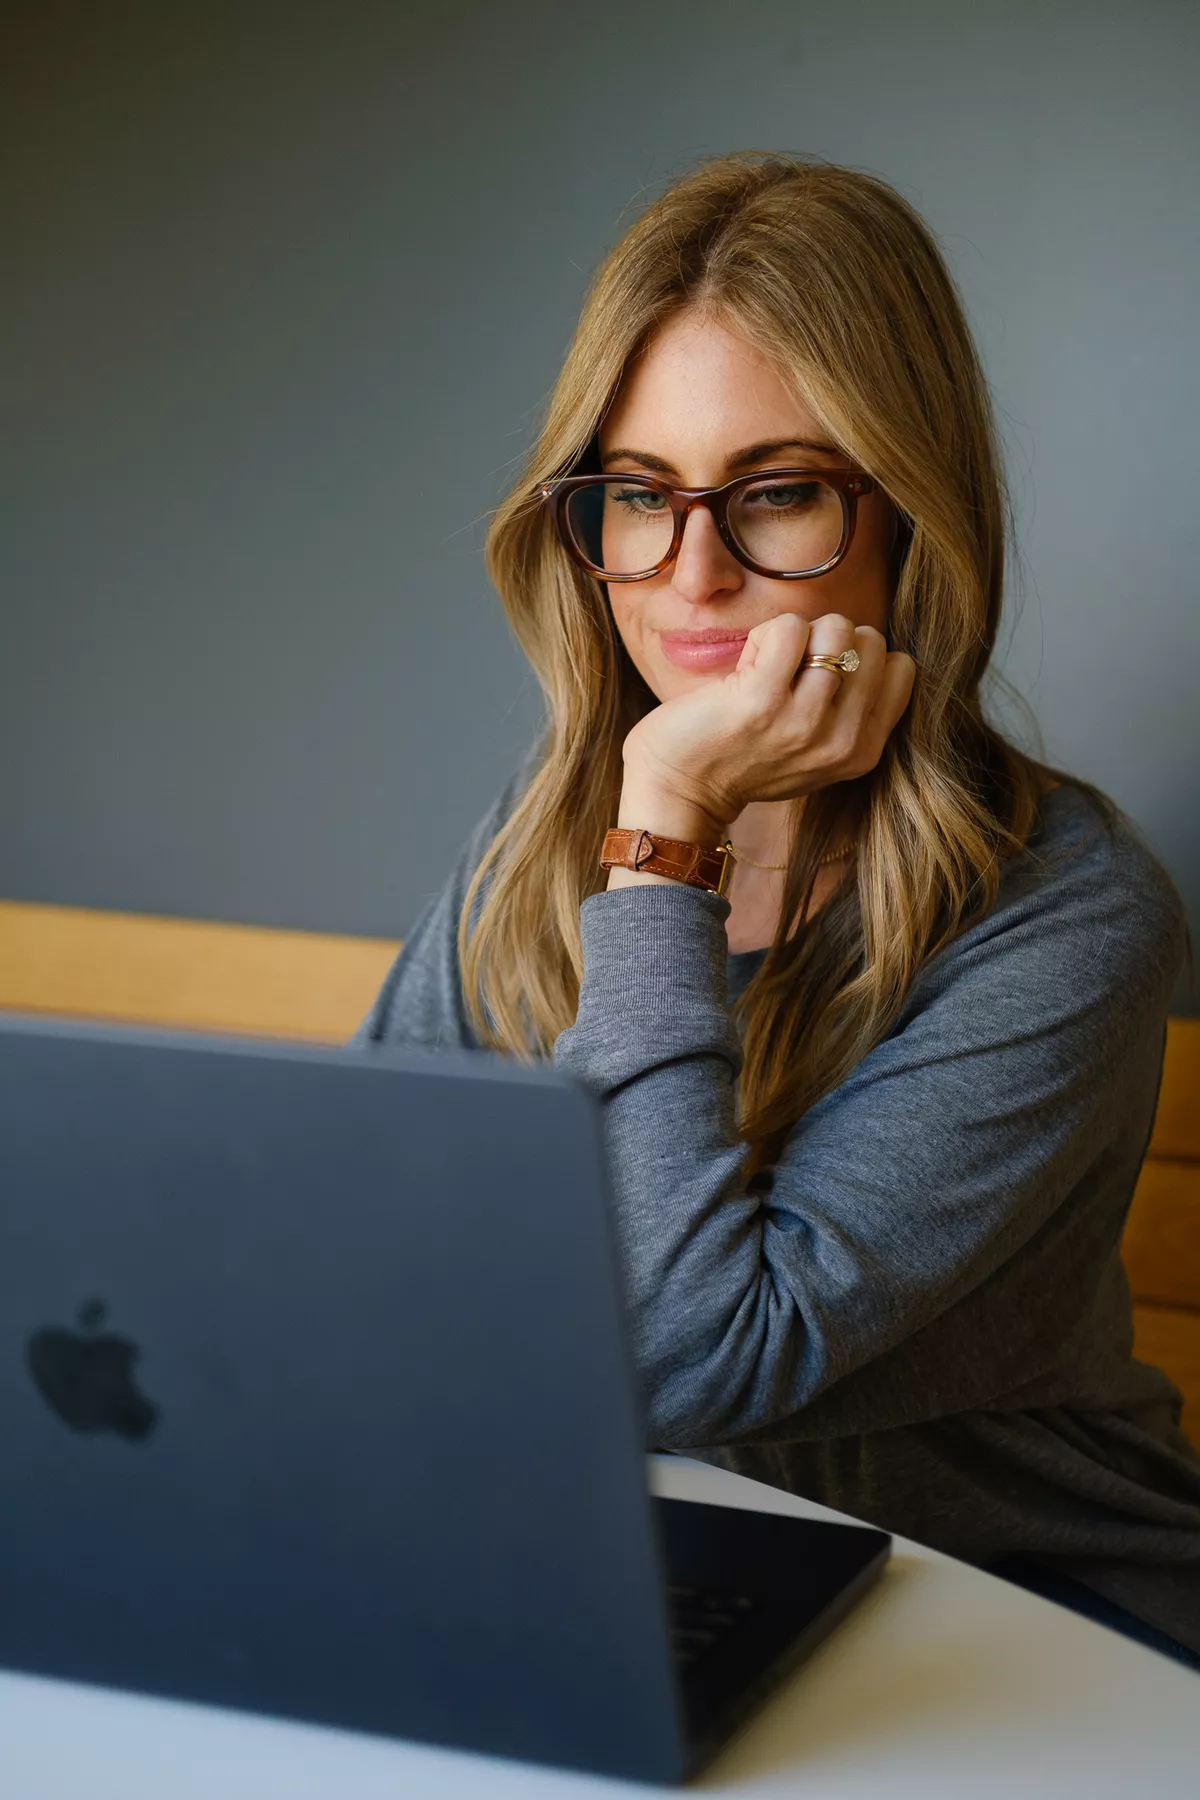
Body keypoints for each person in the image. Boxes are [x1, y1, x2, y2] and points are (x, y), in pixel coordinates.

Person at [357, 153, 1200, 1665]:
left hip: (1023, 1611)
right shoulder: (550, 843)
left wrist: (671, 838)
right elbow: (356, 1228)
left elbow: (690, 1359)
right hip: (631, 1568)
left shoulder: (1072, 914)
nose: (691, 574)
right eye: (637, 494)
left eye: (780, 493)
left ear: (910, 513)